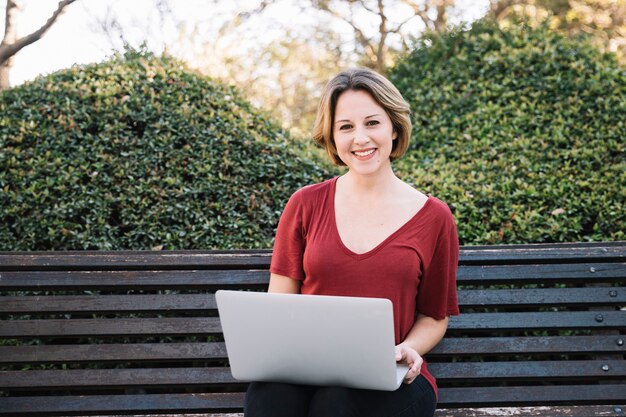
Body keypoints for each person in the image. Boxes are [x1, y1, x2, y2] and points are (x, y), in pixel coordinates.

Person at [245, 67, 459, 417]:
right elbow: (279, 306)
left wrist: (408, 349)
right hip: (307, 369)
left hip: (392, 378)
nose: (360, 138)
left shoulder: (434, 217)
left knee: (338, 401)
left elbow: (435, 316)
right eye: (346, 127)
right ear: (332, 137)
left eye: (372, 123)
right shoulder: (305, 204)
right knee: (270, 396)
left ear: (394, 126)